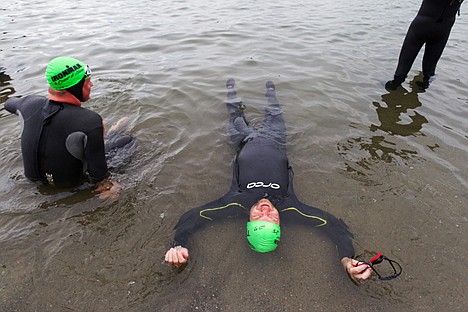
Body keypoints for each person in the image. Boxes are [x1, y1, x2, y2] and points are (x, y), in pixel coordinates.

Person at [165, 79, 372, 282]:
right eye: (272, 218)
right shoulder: (291, 209)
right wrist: (347, 259)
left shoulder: (235, 204)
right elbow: (332, 226)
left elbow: (193, 218)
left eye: (258, 216)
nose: (266, 209)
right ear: (280, 223)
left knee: (235, 115)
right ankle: (270, 89)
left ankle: (231, 89)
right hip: (276, 138)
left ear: (248, 221)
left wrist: (178, 245)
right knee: (274, 111)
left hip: (243, 139)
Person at [4, 56, 131, 198]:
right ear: (74, 87)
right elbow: (99, 176)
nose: (91, 85)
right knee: (127, 141)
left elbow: (8, 104)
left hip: (32, 183)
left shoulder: (28, 104)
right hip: (71, 188)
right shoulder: (90, 121)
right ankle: (111, 134)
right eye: (87, 82)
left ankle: (108, 135)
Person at [386, 0, 464, 90]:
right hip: (444, 28)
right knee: (429, 70)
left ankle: (395, 86)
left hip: (422, 25)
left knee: (404, 64)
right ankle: (424, 88)